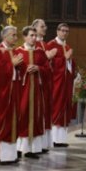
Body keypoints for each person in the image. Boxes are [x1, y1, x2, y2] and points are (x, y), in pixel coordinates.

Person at [0, 25, 22, 165]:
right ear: (4, 37)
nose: (15, 38)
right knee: (3, 121)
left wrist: (19, 66)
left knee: (13, 120)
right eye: (13, 35)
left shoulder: (14, 51)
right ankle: (1, 155)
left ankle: (11, 154)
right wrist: (11, 64)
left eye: (16, 35)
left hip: (14, 90)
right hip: (2, 92)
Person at [17, 25, 45, 158]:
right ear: (25, 37)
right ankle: (19, 147)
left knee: (36, 116)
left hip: (37, 92)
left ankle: (32, 149)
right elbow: (13, 71)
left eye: (35, 36)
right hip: (22, 91)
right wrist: (24, 71)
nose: (34, 38)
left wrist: (39, 68)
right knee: (22, 115)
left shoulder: (40, 52)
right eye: (31, 36)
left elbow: (49, 70)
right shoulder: (18, 52)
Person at [46, 22, 75, 147]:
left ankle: (61, 139)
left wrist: (69, 60)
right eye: (62, 30)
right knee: (55, 107)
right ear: (57, 31)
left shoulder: (67, 46)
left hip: (65, 84)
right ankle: (53, 139)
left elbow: (71, 68)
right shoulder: (51, 45)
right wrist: (64, 58)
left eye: (66, 31)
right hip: (55, 84)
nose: (64, 33)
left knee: (64, 108)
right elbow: (49, 64)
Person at [33, 18, 56, 152]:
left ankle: (43, 143)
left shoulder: (46, 45)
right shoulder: (33, 44)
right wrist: (47, 57)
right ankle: (35, 143)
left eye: (45, 26)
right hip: (36, 84)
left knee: (46, 112)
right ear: (34, 28)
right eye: (42, 26)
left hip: (46, 83)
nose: (45, 28)